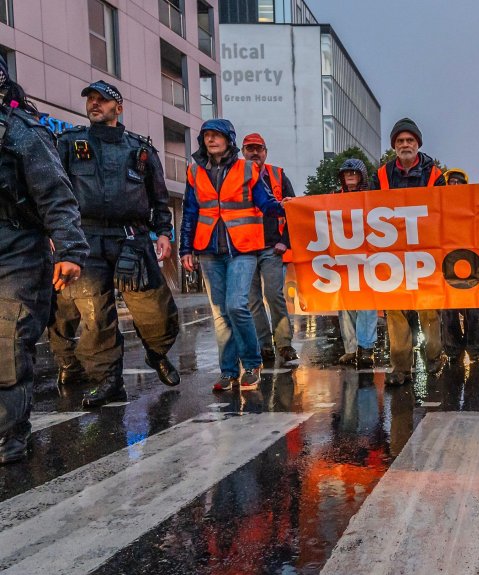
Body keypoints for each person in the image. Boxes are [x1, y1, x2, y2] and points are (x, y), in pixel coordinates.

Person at [54, 80, 181, 407]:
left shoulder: (141, 150)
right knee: (95, 315)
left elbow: (159, 200)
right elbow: (53, 194)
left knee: (153, 306)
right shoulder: (69, 143)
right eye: (91, 100)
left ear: (118, 108)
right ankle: (108, 381)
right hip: (85, 238)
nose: (94, 104)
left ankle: (157, 354)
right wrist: (55, 235)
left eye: (103, 100)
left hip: (132, 238)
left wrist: (164, 233)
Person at [0, 61, 88, 464]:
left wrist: (70, 251)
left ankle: (8, 436)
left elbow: (56, 193)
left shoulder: (21, 131)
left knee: (7, 343)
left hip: (17, 250)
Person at [179, 119, 286, 392]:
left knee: (236, 305)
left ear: (229, 140)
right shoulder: (194, 172)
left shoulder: (248, 169)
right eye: (206, 136)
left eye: (217, 135)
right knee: (219, 313)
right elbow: (190, 212)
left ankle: (252, 364)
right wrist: (186, 249)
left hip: (243, 249)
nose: (211, 140)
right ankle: (228, 371)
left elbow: (264, 202)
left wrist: (287, 208)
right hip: (208, 251)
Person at [369, 118, 445, 386]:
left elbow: (445, 211)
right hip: (394, 254)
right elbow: (365, 210)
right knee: (396, 310)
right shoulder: (380, 175)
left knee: (428, 309)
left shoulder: (435, 175)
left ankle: (434, 356)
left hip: (425, 252)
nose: (405, 145)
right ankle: (400, 367)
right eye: (400, 141)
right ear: (394, 146)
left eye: (409, 140)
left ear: (418, 144)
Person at [240, 133, 299, 367]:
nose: (255, 153)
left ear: (266, 152)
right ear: (243, 152)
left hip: (271, 248)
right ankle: (265, 345)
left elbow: (294, 210)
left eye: (259, 149)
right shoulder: (235, 176)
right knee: (253, 300)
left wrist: (285, 241)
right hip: (244, 247)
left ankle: (283, 344)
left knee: (274, 295)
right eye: (249, 149)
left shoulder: (278, 175)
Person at [439, 168, 479, 362]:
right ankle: (453, 350)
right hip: (447, 265)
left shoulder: (474, 206)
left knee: (472, 311)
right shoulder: (438, 206)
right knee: (449, 311)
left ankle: (474, 349)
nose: (454, 186)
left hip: (470, 266)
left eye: (458, 182)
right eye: (452, 182)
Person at [335, 158, 376, 368]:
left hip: (367, 259)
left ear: (361, 176)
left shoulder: (371, 198)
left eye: (354, 172)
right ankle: (350, 349)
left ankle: (366, 348)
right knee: (346, 304)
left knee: (366, 305)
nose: (350, 175)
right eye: (346, 173)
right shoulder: (333, 200)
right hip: (343, 258)